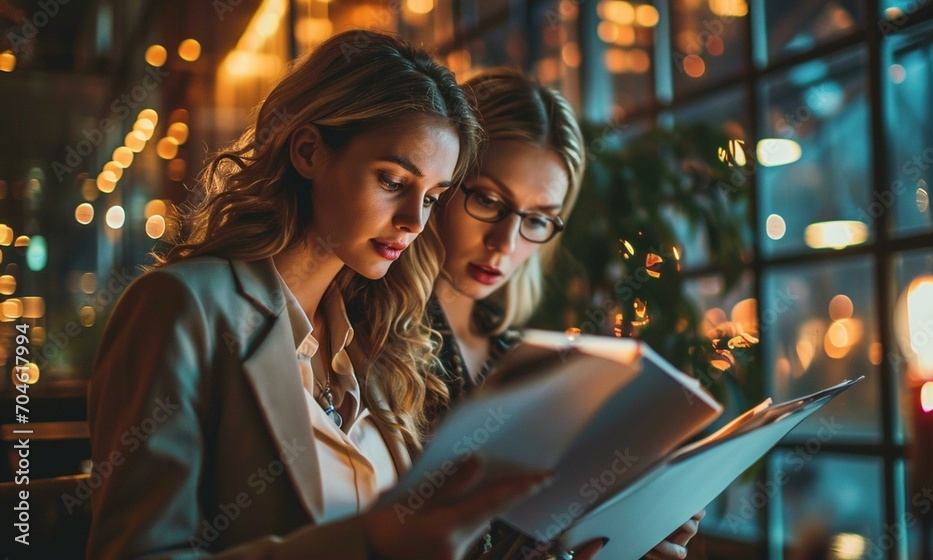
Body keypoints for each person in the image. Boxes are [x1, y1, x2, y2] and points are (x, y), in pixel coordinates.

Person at [85, 31, 583, 560]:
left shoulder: (382, 341)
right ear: (308, 151)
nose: (415, 222)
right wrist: (368, 543)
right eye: (393, 180)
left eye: (434, 198)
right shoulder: (181, 307)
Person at [429, 69, 704, 560]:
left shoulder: (524, 361)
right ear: (442, 182)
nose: (506, 243)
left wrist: (624, 531)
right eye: (489, 200)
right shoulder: (367, 340)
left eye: (536, 219)